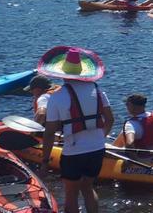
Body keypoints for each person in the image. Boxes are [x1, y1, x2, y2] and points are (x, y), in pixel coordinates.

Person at [40, 46, 114, 213]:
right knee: (88, 188)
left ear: (62, 74)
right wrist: (100, 138)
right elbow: (110, 119)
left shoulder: (57, 97)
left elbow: (50, 132)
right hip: (97, 149)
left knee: (71, 193)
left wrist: (45, 161)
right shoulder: (98, 91)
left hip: (73, 152)